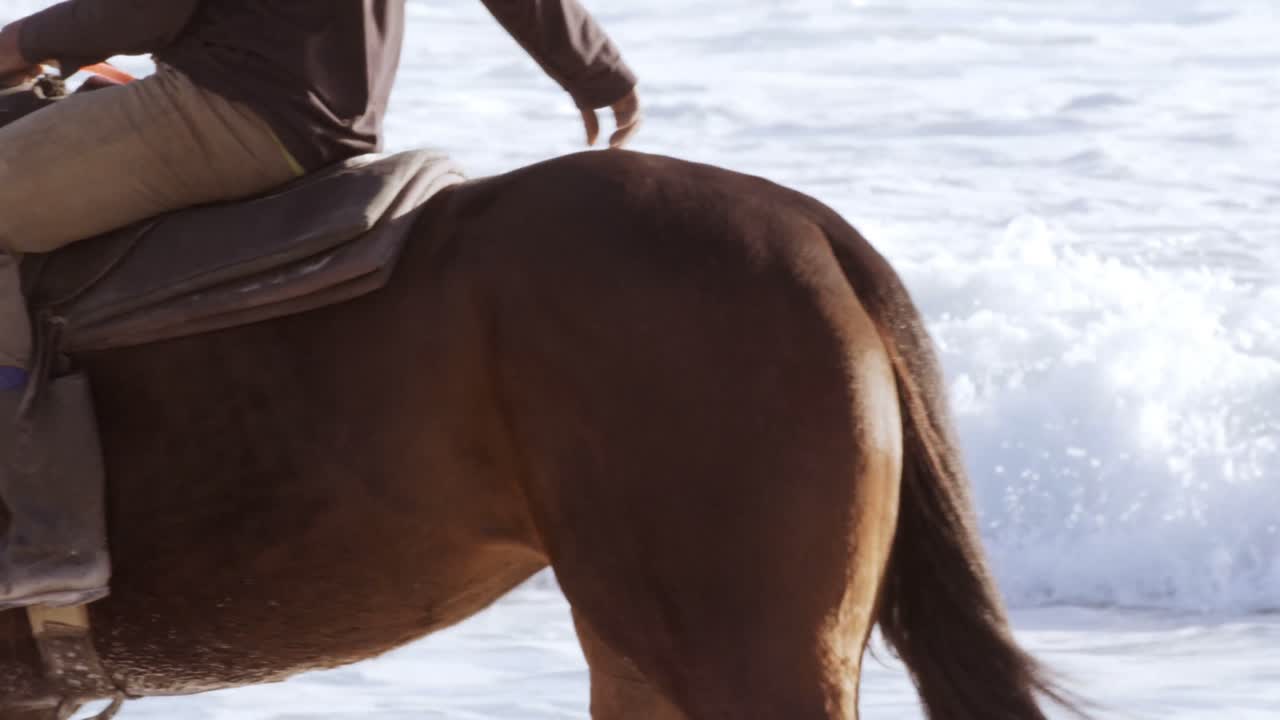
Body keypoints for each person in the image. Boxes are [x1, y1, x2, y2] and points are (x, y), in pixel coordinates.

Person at [0, 0, 640, 609]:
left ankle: (46, 529)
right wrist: (591, 68)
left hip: (225, 106)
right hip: (326, 118)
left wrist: (22, 42)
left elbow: (144, 12)